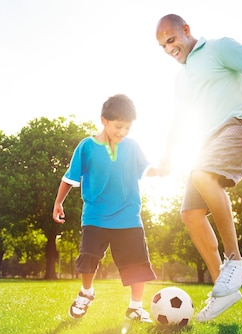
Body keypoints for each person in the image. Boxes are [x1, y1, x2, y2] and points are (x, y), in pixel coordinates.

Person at [155, 14, 242, 322]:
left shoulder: (220, 48)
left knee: (202, 174)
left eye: (171, 40)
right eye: (162, 46)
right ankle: (223, 290)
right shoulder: (182, 80)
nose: (169, 48)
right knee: (190, 214)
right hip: (209, 141)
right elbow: (179, 121)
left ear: (186, 30)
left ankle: (234, 260)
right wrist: (168, 155)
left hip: (241, 125)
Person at [53, 94, 165, 322]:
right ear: (104, 120)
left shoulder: (132, 146)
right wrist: (58, 203)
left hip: (128, 216)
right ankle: (86, 293)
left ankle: (135, 307)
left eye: (128, 127)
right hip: (95, 216)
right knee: (87, 258)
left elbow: (146, 170)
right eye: (118, 126)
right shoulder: (86, 146)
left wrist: (162, 169)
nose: (122, 132)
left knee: (137, 263)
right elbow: (69, 178)